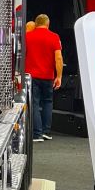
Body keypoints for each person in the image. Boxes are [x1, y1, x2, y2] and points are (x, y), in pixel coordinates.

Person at [25, 13, 63, 142]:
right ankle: (46, 131)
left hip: (32, 76)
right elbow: (58, 58)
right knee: (48, 102)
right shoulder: (54, 37)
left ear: (36, 23)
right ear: (48, 24)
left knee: (34, 103)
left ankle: (37, 134)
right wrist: (59, 76)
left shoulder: (27, 36)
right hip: (48, 76)